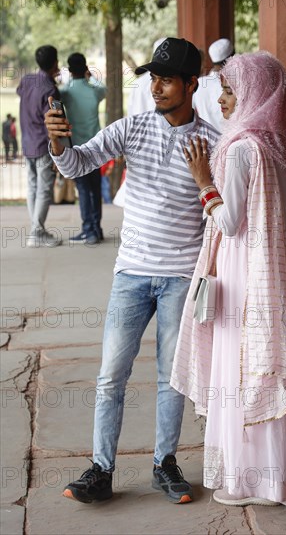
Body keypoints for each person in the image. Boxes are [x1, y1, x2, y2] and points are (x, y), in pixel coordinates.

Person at [45, 37, 220, 504]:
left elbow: (224, 216)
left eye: (166, 80)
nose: (157, 87)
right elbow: (77, 163)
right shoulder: (131, 128)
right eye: (153, 78)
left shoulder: (214, 145)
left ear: (192, 84)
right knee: (110, 376)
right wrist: (59, 140)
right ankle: (101, 470)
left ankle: (165, 464)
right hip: (131, 275)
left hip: (181, 277)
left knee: (171, 378)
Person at [171, 51, 286, 508]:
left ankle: (248, 479)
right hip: (274, 271)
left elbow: (230, 222)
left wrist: (202, 181)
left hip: (240, 271)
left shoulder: (240, 149)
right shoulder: (283, 147)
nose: (225, 101)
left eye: (232, 91)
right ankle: (278, 479)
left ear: (256, 94)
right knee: (267, 362)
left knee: (239, 368)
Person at [17, 45, 62, 247]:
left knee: (32, 187)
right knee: (44, 189)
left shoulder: (26, 81)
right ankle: (37, 232)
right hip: (43, 144)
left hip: (27, 142)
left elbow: (21, 93)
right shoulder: (50, 90)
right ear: (55, 63)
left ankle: (36, 228)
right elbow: (52, 123)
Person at [60, 52, 106, 244]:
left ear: (70, 71)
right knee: (95, 189)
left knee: (83, 189)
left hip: (77, 148)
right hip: (96, 147)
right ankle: (97, 228)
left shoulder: (67, 93)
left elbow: (58, 92)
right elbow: (103, 87)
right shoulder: (95, 90)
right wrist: (90, 76)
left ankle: (89, 230)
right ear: (86, 68)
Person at [193, 38, 234, 131]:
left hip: (205, 141)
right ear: (233, 57)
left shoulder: (199, 83)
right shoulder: (233, 84)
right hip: (229, 140)